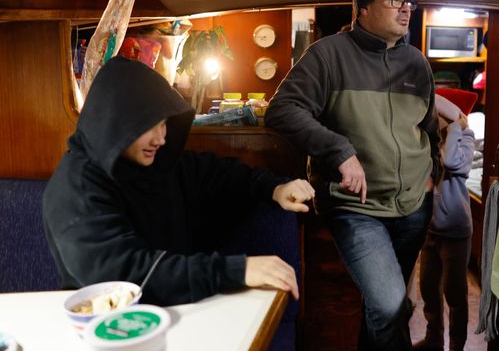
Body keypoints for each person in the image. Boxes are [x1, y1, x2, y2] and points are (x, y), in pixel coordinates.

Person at [265, 0, 441, 350]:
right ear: (362, 7)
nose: (405, 8)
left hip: (412, 208)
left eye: (408, 1)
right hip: (356, 208)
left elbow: (426, 129)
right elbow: (281, 110)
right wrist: (340, 151)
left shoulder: (417, 63)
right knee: (391, 304)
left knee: (383, 308)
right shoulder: (327, 55)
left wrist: (433, 176)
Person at [43, 56, 315, 306]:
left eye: (164, 124)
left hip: (176, 308)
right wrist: (237, 270)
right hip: (107, 323)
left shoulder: (156, 162)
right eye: (149, 125)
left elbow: (219, 173)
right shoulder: (75, 188)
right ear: (116, 121)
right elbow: (122, 276)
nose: (161, 138)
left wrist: (275, 188)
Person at [414, 89, 478, 351]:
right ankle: (434, 339)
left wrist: (455, 129)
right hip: (430, 229)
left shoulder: (464, 140)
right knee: (428, 289)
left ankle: (456, 344)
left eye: (440, 114)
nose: (434, 118)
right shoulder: (430, 138)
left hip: (455, 230)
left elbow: (452, 163)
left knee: (455, 293)